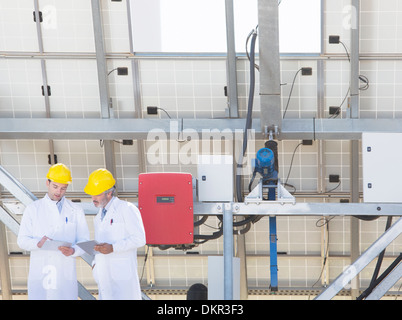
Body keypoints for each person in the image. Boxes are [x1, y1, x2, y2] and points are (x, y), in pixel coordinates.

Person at [17, 163, 90, 300]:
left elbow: (85, 241)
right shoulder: (33, 209)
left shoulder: (76, 210)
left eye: (63, 188)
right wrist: (38, 243)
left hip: (64, 274)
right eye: (55, 187)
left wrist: (73, 250)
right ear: (47, 183)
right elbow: (22, 240)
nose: (58, 192)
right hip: (41, 273)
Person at [84, 168, 146, 300]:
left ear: (109, 193)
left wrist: (114, 248)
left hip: (123, 279)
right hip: (104, 277)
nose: (93, 198)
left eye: (97, 194)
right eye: (92, 194)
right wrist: (95, 264)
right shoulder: (98, 216)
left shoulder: (127, 209)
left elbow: (140, 239)